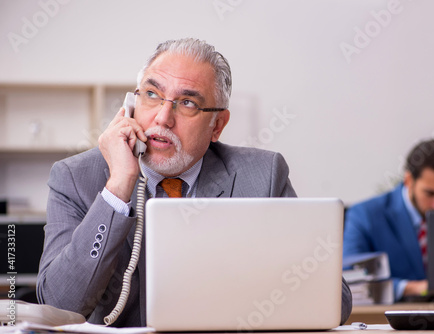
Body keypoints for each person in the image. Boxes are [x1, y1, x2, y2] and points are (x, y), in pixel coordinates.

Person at [36, 38, 352, 327]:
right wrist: (118, 187)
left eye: (187, 103)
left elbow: (334, 302)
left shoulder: (263, 175)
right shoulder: (75, 177)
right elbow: (59, 303)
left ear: (218, 125)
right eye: (151, 94)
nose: (162, 117)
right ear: (131, 105)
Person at [343, 139, 434, 302]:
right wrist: (410, 288)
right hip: (386, 320)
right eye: (430, 194)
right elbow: (348, 277)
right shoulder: (365, 215)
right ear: (409, 181)